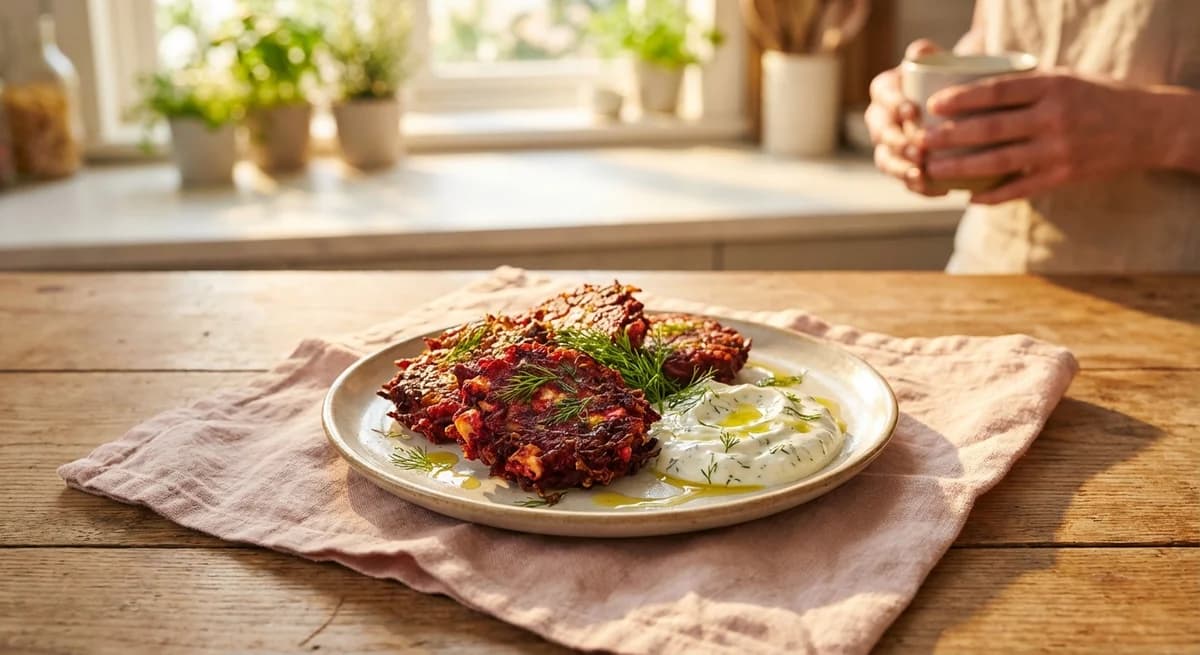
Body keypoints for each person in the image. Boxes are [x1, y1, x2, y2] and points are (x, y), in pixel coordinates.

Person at [866, 0, 1200, 273]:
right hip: (987, 272)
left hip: (1172, 291)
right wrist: (921, 100)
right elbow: (993, 34)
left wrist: (1156, 128)